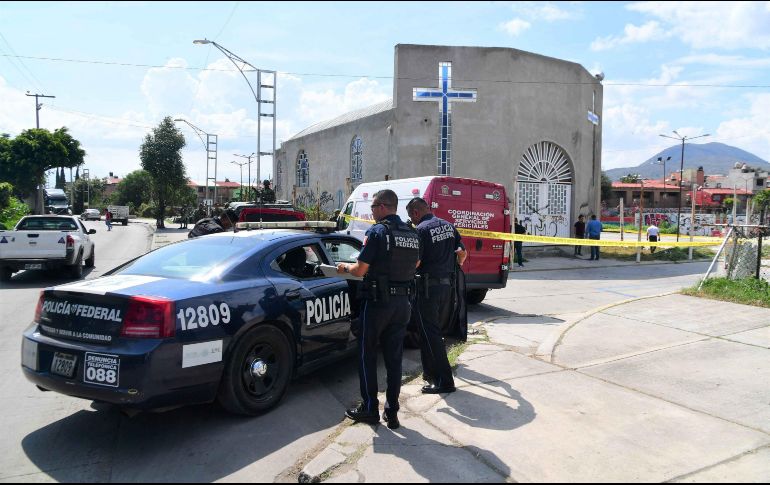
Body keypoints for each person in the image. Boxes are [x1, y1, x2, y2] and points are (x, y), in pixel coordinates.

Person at [336, 189, 419, 430]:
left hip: (378, 304)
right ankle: (392, 412)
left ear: (383, 207)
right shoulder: (411, 233)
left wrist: (343, 267)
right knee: (394, 359)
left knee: (367, 354)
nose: (371, 212)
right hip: (403, 303)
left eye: (373, 207)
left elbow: (360, 270)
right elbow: (416, 263)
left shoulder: (378, 232)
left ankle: (370, 408)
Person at [406, 197, 466, 396]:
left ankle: (445, 381)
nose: (412, 221)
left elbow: (415, 262)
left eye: (411, 217)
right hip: (446, 288)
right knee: (429, 332)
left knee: (431, 335)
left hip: (427, 289)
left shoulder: (420, 230)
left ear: (415, 213)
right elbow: (462, 253)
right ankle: (430, 374)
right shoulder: (449, 226)